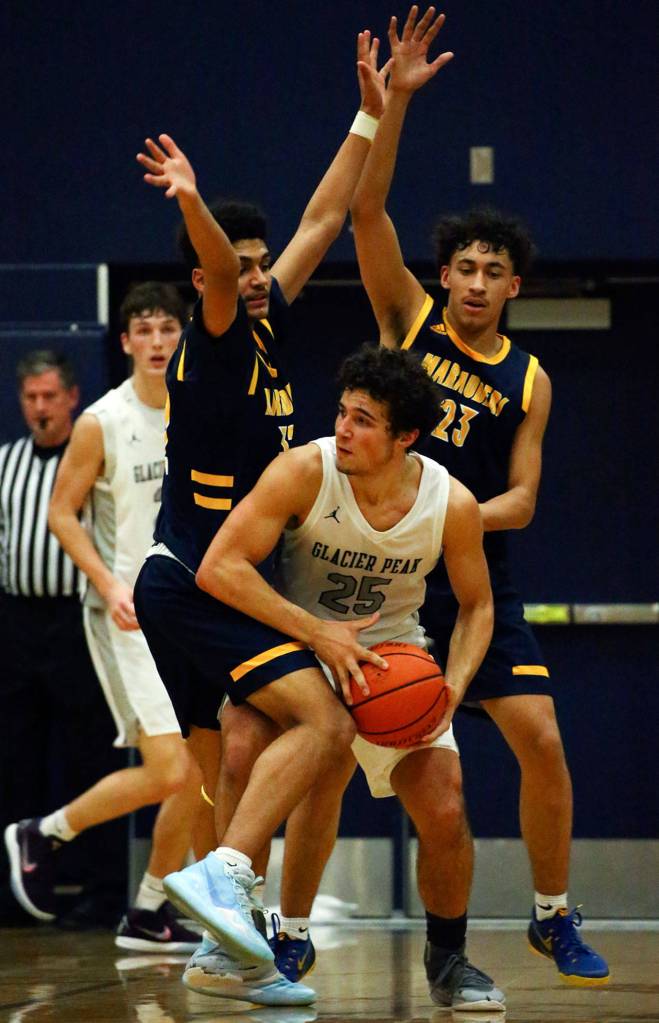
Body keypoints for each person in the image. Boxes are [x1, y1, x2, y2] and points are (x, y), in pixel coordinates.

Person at [347, 9, 610, 988]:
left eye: (491, 272)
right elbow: (365, 216)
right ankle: (282, 918)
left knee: (540, 740)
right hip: (371, 572)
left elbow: (523, 501)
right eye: (461, 266)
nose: (472, 281)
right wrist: (394, 107)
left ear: (510, 289)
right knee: (337, 753)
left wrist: (447, 513)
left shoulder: (529, 378)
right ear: (445, 275)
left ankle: (551, 913)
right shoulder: (408, 318)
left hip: (471, 578)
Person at [131, 28, 392, 1008]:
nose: (250, 275)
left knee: (230, 754)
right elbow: (206, 252)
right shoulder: (218, 330)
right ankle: (229, 897)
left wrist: (370, 108)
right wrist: (195, 202)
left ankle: (219, 953)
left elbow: (325, 213)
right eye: (232, 266)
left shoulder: (264, 314)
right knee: (320, 722)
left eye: (254, 264)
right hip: (199, 576)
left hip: (213, 579)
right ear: (203, 279)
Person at [191, 343, 505, 1012]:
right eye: (340, 412)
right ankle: (261, 931)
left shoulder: (451, 503)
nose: (342, 429)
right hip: (297, 643)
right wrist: (315, 634)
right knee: (246, 751)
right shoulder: (304, 469)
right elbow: (221, 567)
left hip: (393, 659)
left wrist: (452, 682)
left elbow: (478, 605)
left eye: (362, 420)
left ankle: (448, 956)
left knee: (445, 806)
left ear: (405, 437)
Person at [5, 284, 209, 954]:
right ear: (124, 342)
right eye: (143, 330)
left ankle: (149, 908)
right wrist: (109, 582)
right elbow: (62, 512)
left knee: (194, 771)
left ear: (184, 337)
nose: (157, 341)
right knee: (172, 766)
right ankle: (46, 831)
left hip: (188, 611)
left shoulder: (201, 406)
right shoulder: (100, 419)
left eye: (168, 329)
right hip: (123, 614)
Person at [0, 350, 128, 927]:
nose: (41, 407)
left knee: (90, 757)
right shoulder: (5, 464)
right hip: (18, 624)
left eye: (50, 396)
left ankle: (101, 890)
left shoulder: (94, 456)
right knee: (14, 760)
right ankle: (16, 894)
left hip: (80, 621)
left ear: (73, 397)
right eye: (31, 397)